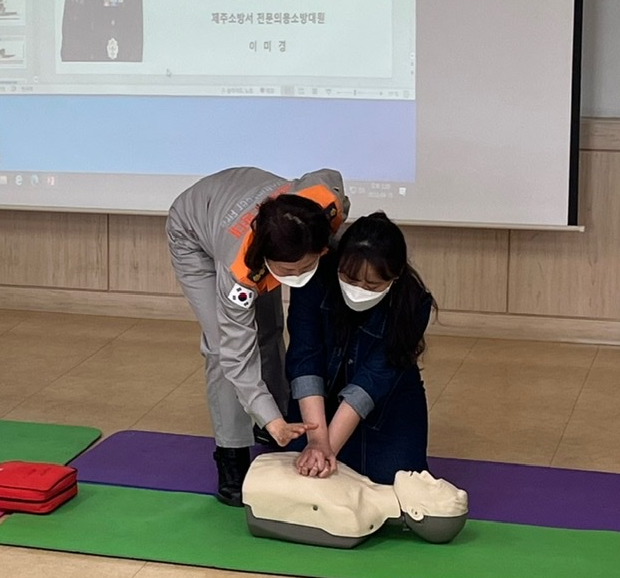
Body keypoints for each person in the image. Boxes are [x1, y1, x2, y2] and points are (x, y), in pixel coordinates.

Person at [167, 167, 349, 506]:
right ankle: (231, 453)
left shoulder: (327, 205)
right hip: (194, 232)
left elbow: (330, 174)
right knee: (222, 348)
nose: (296, 277)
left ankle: (275, 420)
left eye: (304, 267)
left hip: (246, 196)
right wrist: (267, 415)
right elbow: (237, 355)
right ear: (264, 260)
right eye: (286, 271)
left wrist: (276, 419)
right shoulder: (240, 273)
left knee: (269, 332)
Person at [276, 212, 436, 485]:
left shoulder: (413, 304)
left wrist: (327, 448)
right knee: (301, 476)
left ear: (394, 277)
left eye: (372, 285)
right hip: (316, 404)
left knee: (395, 485)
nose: (359, 289)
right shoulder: (313, 281)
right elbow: (305, 357)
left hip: (385, 404)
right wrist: (316, 440)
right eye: (349, 279)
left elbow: (374, 378)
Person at [242, 453, 468, 549]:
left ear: (416, 512)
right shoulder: (361, 484)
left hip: (257, 481)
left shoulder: (353, 516)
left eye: (430, 486)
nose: (426, 475)